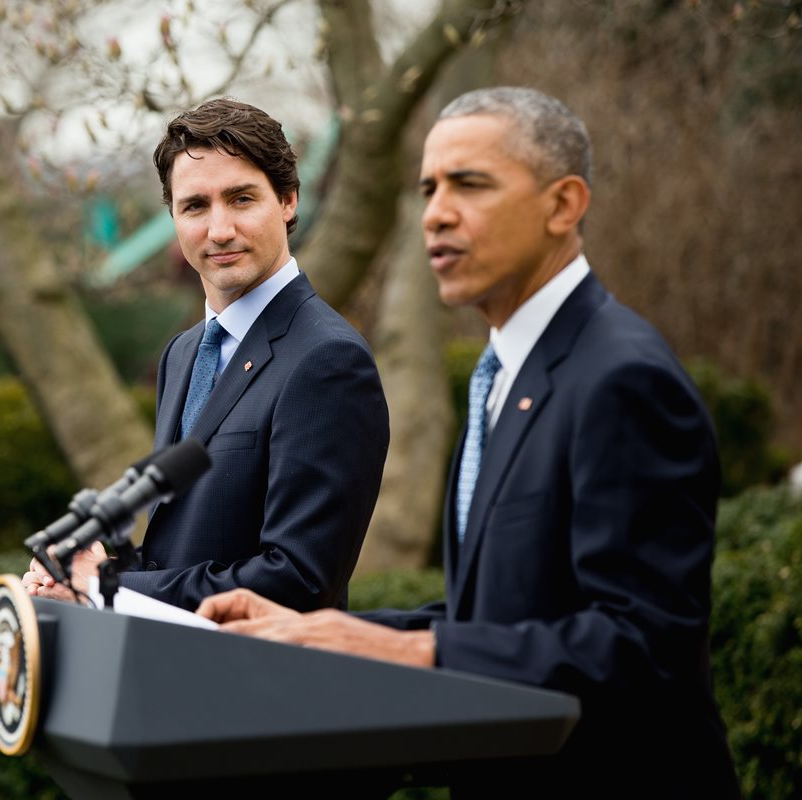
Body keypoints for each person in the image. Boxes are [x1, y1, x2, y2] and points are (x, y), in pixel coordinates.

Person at [197, 87, 740, 797]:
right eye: (427, 189)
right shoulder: (499, 376)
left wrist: (413, 650)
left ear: (564, 205)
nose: (437, 214)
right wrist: (323, 632)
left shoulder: (622, 378)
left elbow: (643, 649)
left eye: (470, 185)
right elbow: (500, 617)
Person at [23, 98, 390, 612]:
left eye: (241, 199)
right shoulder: (183, 353)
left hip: (260, 683)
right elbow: (182, 551)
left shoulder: (329, 361)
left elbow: (299, 577)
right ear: (173, 216)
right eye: (195, 206)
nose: (219, 230)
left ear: (287, 202)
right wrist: (90, 573)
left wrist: (110, 590)